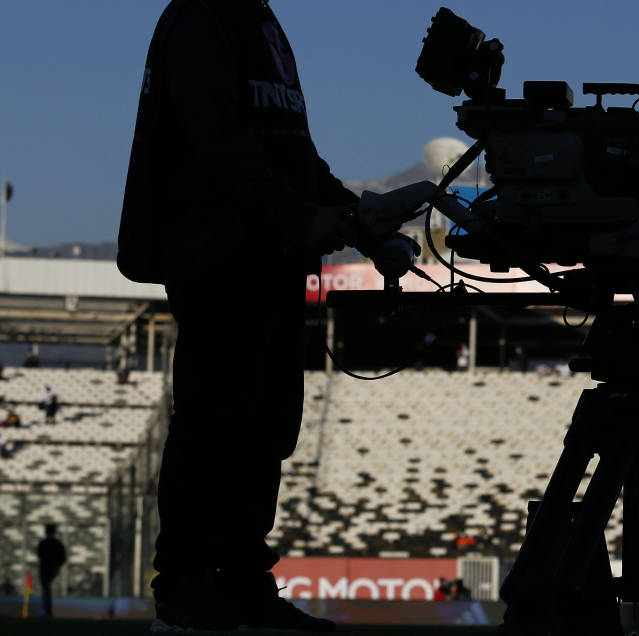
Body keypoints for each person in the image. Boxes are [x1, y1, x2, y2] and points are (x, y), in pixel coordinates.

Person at [117, 1, 427, 631]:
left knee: (264, 426)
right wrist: (299, 218)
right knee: (215, 420)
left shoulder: (258, 21)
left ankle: (241, 584)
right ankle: (186, 586)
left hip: (270, 256)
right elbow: (219, 143)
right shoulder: (204, 17)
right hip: (218, 253)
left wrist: (359, 223)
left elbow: (295, 158)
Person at [37, 525, 66, 618]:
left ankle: (47, 611)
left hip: (45, 569)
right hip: (52, 569)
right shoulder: (57, 544)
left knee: (46, 590)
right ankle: (47, 610)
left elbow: (40, 555)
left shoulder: (44, 543)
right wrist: (56, 567)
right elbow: (63, 557)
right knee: (47, 589)